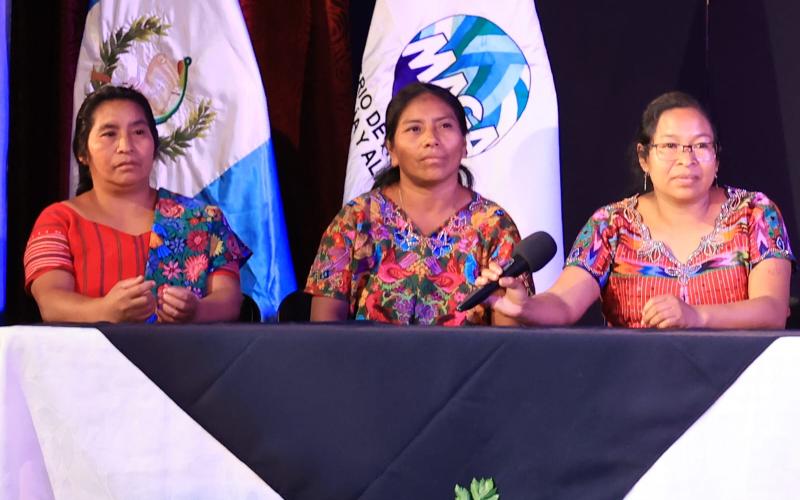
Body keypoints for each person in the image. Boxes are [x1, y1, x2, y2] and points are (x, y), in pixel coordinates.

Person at [479, 91, 794, 329]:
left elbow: (773, 310)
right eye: (669, 146)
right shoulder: (611, 224)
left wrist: (696, 315)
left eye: (701, 145)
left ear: (717, 158)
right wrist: (523, 308)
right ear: (644, 158)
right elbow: (563, 303)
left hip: (739, 387)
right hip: (634, 387)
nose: (687, 160)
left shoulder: (755, 213)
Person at [24, 85, 250, 323]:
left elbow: (230, 300)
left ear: (154, 146)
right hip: (88, 360)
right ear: (82, 152)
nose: (126, 146)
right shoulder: (58, 221)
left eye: (139, 132)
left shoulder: (201, 219)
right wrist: (105, 311)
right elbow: (51, 303)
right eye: (109, 134)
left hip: (184, 358)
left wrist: (196, 311)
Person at [305, 82, 526, 325]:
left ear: (464, 145)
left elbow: (509, 336)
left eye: (445, 126)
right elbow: (323, 328)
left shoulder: (494, 225)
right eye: (414, 129)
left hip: (468, 363)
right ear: (392, 150)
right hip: (366, 361)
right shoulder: (357, 219)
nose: (431, 139)